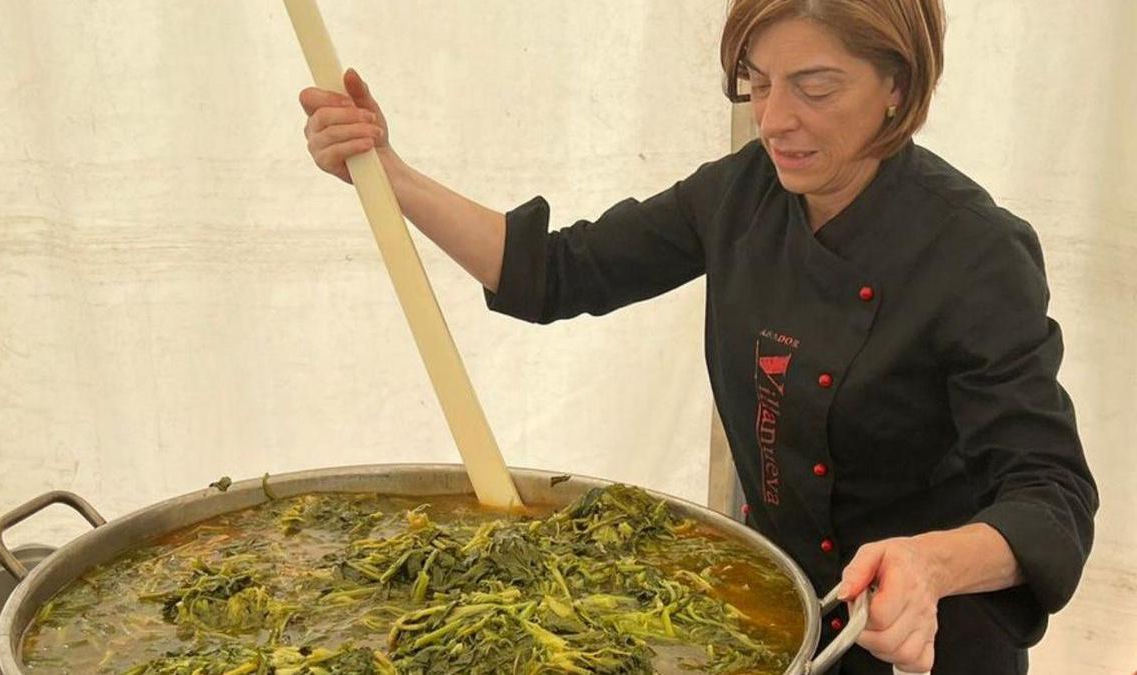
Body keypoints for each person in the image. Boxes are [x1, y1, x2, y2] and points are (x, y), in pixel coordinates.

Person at [298, 0, 1098, 672]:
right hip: (778, 609)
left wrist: (928, 563)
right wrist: (388, 171)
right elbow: (558, 271)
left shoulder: (974, 249)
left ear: (898, 86)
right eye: (757, 83)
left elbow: (1051, 496)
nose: (775, 119)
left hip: (928, 634)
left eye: (816, 87)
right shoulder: (742, 194)